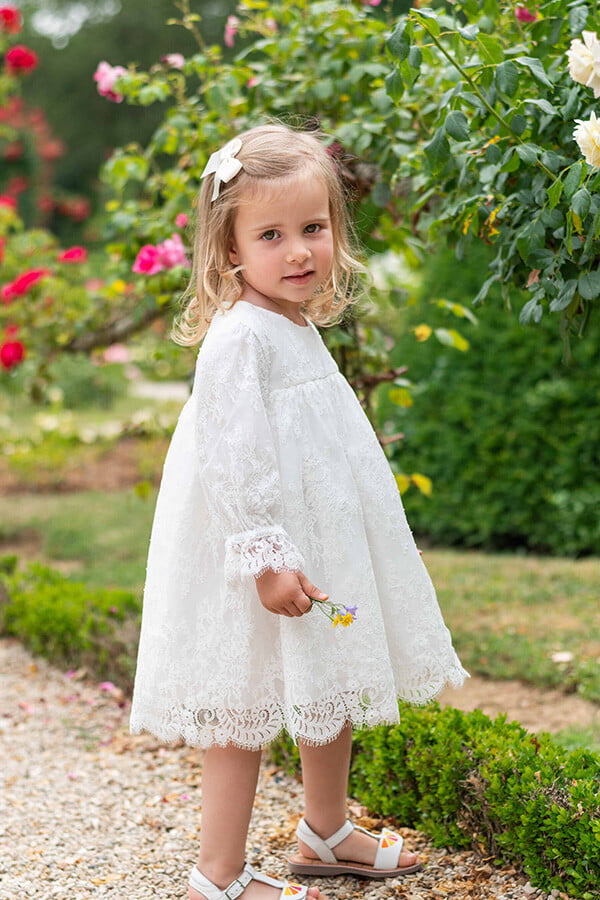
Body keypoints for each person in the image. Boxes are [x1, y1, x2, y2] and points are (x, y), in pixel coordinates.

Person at [130, 123, 468, 900]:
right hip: (260, 557)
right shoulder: (238, 337)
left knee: (331, 675)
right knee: (241, 705)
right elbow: (233, 454)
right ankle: (216, 875)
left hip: (320, 544)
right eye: (272, 235)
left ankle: (326, 829)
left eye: (313, 229)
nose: (299, 252)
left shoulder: (294, 324)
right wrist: (264, 556)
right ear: (230, 250)